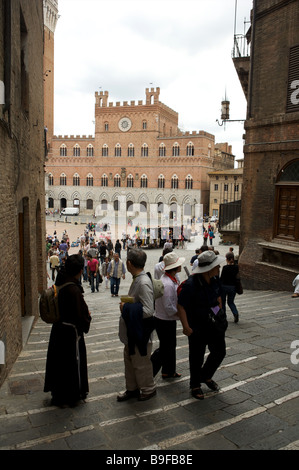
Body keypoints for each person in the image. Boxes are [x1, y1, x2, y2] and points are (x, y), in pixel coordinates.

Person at [177, 250, 226, 400]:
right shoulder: (191, 285)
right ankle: (195, 385)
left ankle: (205, 375)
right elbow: (181, 306)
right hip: (197, 326)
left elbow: (218, 296)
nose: (219, 268)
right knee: (196, 357)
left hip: (214, 324)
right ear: (209, 268)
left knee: (220, 351)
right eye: (217, 266)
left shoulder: (215, 279)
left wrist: (220, 314)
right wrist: (186, 327)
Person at [44, 254, 91, 407]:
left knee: (59, 364)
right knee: (70, 365)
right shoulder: (73, 289)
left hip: (58, 330)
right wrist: (87, 317)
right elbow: (80, 315)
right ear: (79, 270)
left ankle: (58, 393)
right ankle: (70, 394)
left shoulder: (61, 280)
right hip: (71, 334)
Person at [117, 248, 156, 402]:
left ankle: (148, 388)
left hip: (140, 332)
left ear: (129, 263)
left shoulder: (144, 282)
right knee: (130, 360)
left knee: (141, 362)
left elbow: (148, 310)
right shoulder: (138, 278)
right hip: (133, 331)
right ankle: (132, 388)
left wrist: (125, 307)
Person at [151, 252, 185, 379]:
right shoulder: (168, 284)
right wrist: (181, 314)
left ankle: (169, 371)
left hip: (167, 319)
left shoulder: (172, 279)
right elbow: (169, 307)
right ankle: (149, 371)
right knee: (165, 348)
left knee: (170, 346)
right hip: (164, 320)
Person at [220, 252, 239, 323]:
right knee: (231, 302)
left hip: (224, 287)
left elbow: (222, 278)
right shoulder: (236, 267)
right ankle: (235, 313)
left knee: (223, 302)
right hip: (233, 287)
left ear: (227, 259)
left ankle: (224, 316)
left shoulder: (225, 268)